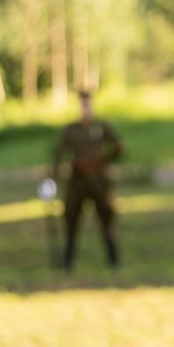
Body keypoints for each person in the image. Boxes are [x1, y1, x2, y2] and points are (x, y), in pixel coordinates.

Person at [52, 90, 124, 271]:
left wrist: (103, 161)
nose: (85, 108)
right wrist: (54, 175)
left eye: (87, 104)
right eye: (82, 104)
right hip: (77, 181)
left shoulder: (101, 126)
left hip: (99, 181)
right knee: (71, 218)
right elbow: (58, 154)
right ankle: (68, 261)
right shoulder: (71, 129)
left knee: (107, 217)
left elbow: (119, 147)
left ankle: (113, 260)